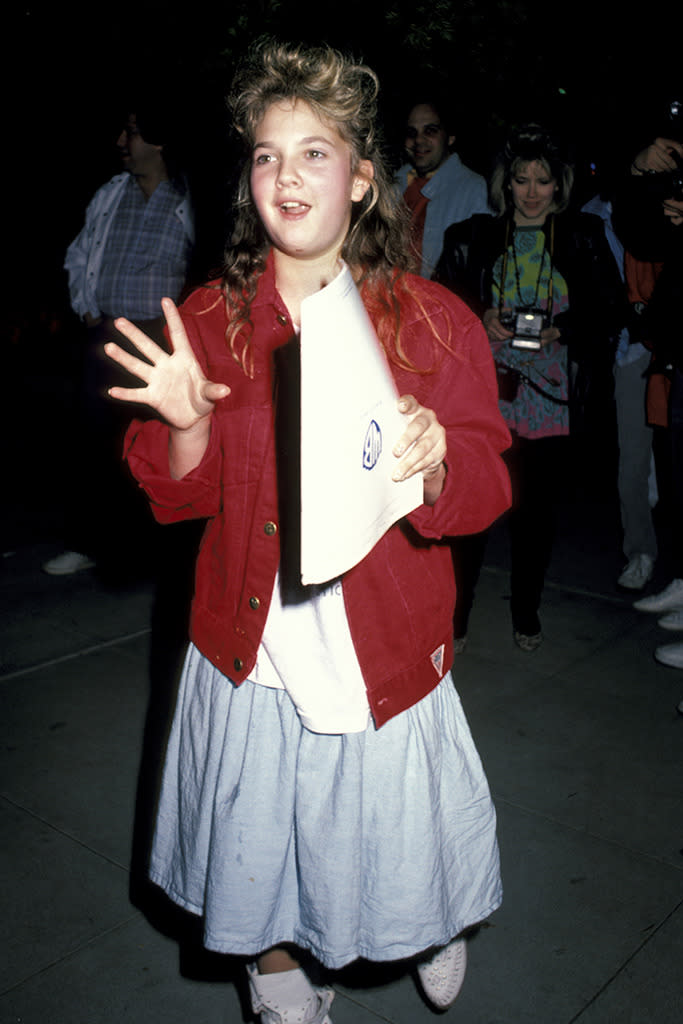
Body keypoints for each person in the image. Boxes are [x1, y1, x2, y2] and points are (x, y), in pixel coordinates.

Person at [103, 41, 511, 1023]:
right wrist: (187, 424)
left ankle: (429, 916)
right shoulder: (209, 317)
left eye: (314, 152)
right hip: (253, 649)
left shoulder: (435, 323)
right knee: (263, 834)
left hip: (385, 643)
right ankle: (278, 959)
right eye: (266, 154)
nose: (285, 175)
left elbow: (490, 476)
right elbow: (172, 498)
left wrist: (436, 463)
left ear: (364, 177)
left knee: (392, 830)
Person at [436, 124, 625, 651]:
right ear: (507, 184)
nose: (533, 191)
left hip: (552, 399)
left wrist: (561, 328)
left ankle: (526, 611)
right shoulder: (473, 236)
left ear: (559, 184)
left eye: (543, 180)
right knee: (472, 510)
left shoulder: (582, 235)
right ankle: (456, 620)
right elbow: (440, 309)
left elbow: (610, 307)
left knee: (534, 516)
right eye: (522, 180)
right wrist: (482, 314)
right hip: (487, 394)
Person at [43, 95, 195, 577]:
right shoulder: (112, 194)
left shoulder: (188, 200)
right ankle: (90, 543)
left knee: (156, 447)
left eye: (131, 132)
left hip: (160, 343)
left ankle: (154, 553)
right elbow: (80, 252)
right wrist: (86, 307)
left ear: (159, 140)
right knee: (94, 444)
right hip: (106, 335)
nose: (121, 142)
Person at [614, 122, 683, 671]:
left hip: (659, 346)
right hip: (663, 350)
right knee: (662, 470)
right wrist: (640, 172)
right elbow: (640, 235)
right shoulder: (659, 187)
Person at [581, 191, 659, 591]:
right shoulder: (588, 216)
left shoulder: (657, 207)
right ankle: (641, 552)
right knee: (630, 463)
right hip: (620, 352)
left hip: (654, 345)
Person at [395, 97, 491, 279]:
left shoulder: (473, 189)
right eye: (411, 132)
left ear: (450, 136)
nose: (419, 140)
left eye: (430, 131)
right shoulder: (394, 183)